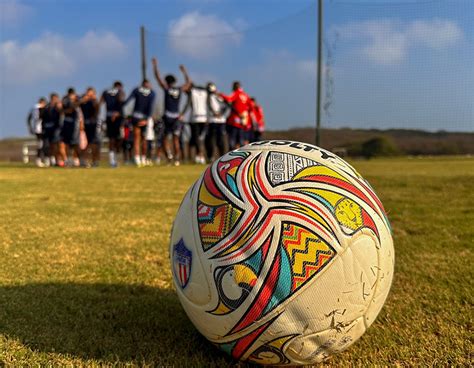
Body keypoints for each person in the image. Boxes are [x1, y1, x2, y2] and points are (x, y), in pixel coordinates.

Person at [152, 57, 192, 166]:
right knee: (176, 139)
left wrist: (155, 65)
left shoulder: (166, 88)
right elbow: (189, 82)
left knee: (165, 138)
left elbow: (157, 77)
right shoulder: (179, 89)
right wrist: (184, 72)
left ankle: (169, 157)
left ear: (166, 81)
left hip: (167, 117)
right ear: (174, 81)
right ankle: (177, 159)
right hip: (176, 117)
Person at [124, 79, 156, 167]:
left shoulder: (136, 90)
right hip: (144, 117)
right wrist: (146, 119)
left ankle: (137, 159)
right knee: (144, 139)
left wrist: (121, 108)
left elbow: (128, 100)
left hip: (136, 116)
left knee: (137, 139)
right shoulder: (152, 93)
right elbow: (151, 107)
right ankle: (143, 158)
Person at [219, 81, 252, 150]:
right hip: (243, 122)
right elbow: (251, 107)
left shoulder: (237, 93)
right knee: (240, 140)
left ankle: (232, 156)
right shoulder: (245, 95)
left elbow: (229, 99)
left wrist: (221, 95)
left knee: (232, 140)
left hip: (234, 121)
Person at [100, 81, 125, 167]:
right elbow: (121, 101)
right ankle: (113, 161)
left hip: (109, 118)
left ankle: (114, 160)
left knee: (113, 140)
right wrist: (117, 113)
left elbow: (100, 103)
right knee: (116, 140)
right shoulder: (119, 92)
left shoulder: (105, 92)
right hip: (116, 120)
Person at [183, 84, 208, 164]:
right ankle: (197, 156)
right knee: (197, 138)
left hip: (195, 119)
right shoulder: (205, 92)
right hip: (204, 118)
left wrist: (182, 113)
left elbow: (188, 104)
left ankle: (200, 155)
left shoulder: (192, 92)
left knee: (196, 138)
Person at [59, 88, 83, 167]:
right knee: (67, 143)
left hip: (74, 124)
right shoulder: (66, 100)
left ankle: (77, 160)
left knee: (74, 143)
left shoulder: (78, 100)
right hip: (67, 123)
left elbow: (75, 109)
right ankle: (68, 160)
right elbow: (67, 109)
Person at [205, 82, 227, 161]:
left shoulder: (220, 96)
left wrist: (220, 113)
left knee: (220, 140)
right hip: (212, 121)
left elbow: (226, 105)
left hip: (220, 121)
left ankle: (222, 157)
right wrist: (214, 113)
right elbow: (209, 105)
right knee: (211, 139)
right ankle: (211, 157)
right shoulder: (207, 97)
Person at [80, 87, 100, 167]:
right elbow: (76, 106)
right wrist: (83, 100)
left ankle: (95, 161)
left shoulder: (94, 102)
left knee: (95, 143)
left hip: (94, 124)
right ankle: (85, 160)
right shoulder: (84, 102)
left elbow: (97, 110)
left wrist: (94, 100)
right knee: (88, 143)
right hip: (86, 124)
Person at [42, 93, 63, 166]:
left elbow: (62, 115)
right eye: (53, 99)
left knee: (56, 145)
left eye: (55, 99)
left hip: (56, 129)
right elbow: (43, 117)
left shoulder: (59, 107)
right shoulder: (46, 107)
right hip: (47, 128)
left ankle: (58, 160)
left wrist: (59, 108)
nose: (54, 100)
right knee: (48, 145)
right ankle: (51, 160)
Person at [27, 97, 47, 167]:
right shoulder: (40, 108)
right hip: (41, 129)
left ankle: (39, 160)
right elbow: (41, 117)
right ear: (43, 102)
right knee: (41, 145)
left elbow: (28, 118)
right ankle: (39, 160)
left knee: (40, 144)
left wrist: (30, 128)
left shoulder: (33, 108)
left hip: (36, 129)